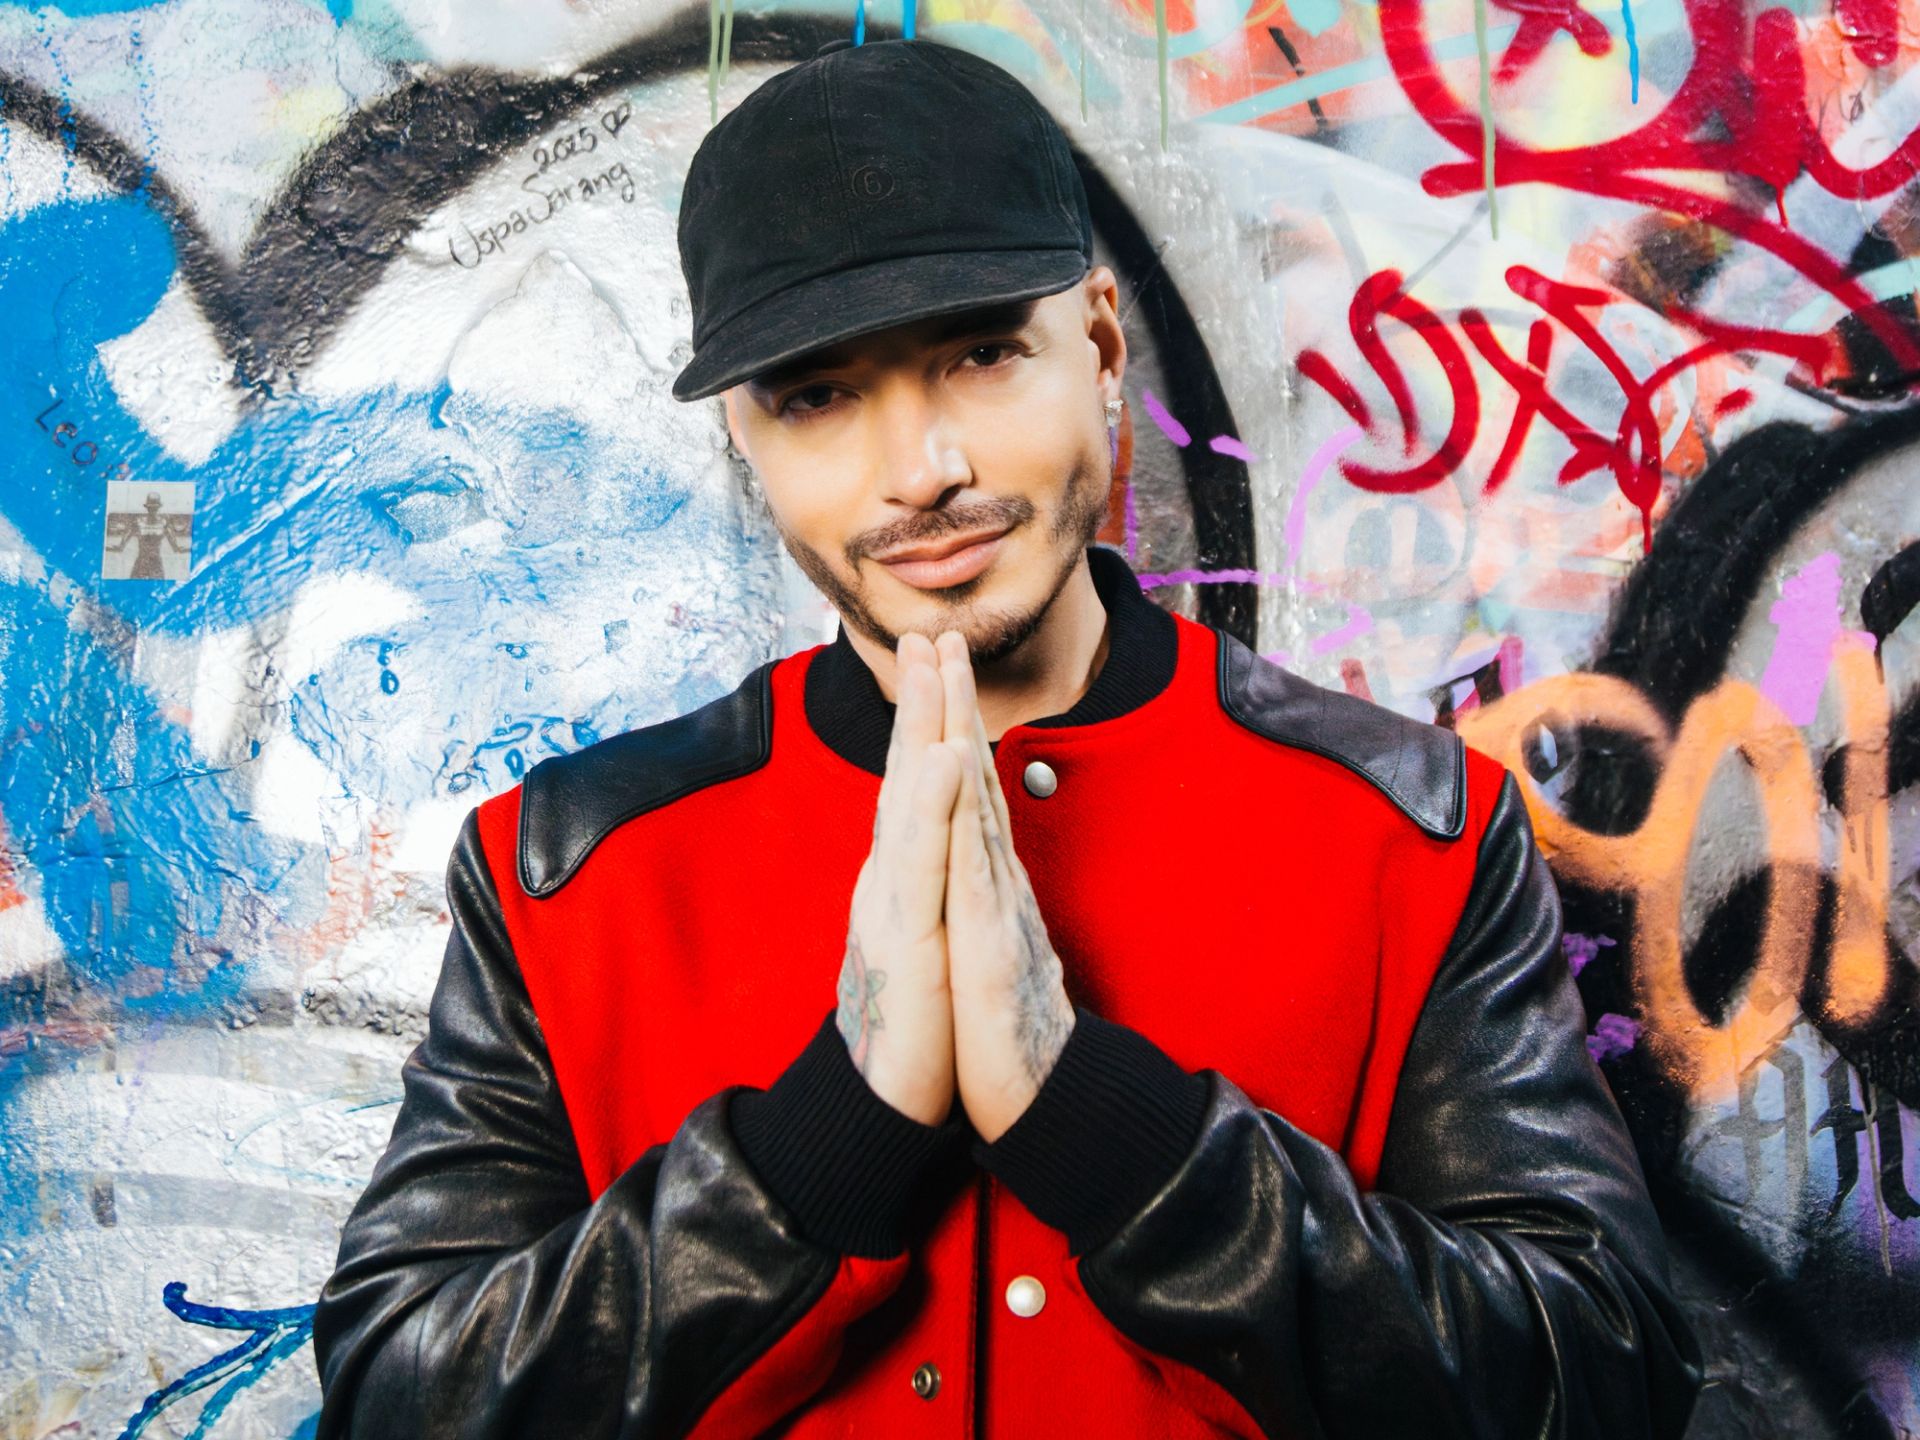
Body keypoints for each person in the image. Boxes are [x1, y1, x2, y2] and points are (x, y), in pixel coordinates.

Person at [311, 35, 1704, 1439]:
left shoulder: (1417, 830)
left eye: (980, 353)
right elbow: (398, 1394)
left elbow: (1606, 1381)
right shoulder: (565, 868)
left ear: (1099, 348)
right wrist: (829, 1137)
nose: (923, 471)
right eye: (819, 395)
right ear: (747, 434)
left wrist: (1102, 1119)